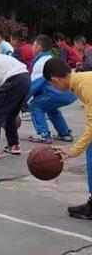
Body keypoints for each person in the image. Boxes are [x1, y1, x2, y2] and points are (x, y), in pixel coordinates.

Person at [45, 58, 92, 220]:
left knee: (91, 150)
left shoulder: (85, 85)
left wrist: (74, 150)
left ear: (55, 80)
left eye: (52, 85)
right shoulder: (82, 80)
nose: (54, 87)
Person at [27, 35, 76, 144]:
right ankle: (65, 133)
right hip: (71, 92)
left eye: (34, 45)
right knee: (50, 107)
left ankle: (43, 135)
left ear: (39, 47)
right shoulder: (51, 58)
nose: (32, 48)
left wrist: (21, 102)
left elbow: (34, 86)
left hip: (59, 91)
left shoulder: (40, 63)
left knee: (35, 105)